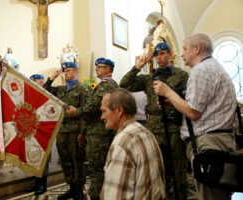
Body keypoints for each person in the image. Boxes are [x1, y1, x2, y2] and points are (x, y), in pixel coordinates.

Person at [153, 33, 237, 200]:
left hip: (208, 144)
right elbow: (202, 106)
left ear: (197, 48)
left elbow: (193, 112)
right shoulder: (212, 67)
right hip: (218, 141)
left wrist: (167, 92)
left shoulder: (201, 70)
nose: (182, 54)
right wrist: (173, 102)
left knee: (211, 196)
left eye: (184, 49)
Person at [120, 42, 189, 200]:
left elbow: (188, 97)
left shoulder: (181, 75)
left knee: (178, 170)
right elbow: (124, 85)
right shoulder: (148, 78)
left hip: (174, 128)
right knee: (158, 170)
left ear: (170, 55)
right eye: (157, 54)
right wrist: (138, 67)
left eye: (163, 53)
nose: (159, 57)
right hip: (154, 130)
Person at [66, 58, 118, 200]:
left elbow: (94, 105)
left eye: (100, 67)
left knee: (96, 169)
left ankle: (96, 196)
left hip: (99, 132)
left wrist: (76, 112)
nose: (96, 69)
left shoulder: (106, 85)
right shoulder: (105, 84)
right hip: (98, 131)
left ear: (108, 69)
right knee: (97, 168)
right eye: (96, 67)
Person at [99, 88, 165, 200]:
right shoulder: (145, 132)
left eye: (104, 111)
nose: (102, 117)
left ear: (119, 110)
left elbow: (116, 195)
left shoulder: (122, 143)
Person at [44, 62, 87, 200]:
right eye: (64, 71)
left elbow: (85, 112)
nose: (66, 73)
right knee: (65, 161)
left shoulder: (82, 88)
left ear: (75, 71)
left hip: (75, 131)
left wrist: (83, 133)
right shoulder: (61, 89)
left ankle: (79, 189)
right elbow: (45, 90)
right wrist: (52, 78)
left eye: (68, 70)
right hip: (62, 131)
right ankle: (71, 188)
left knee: (77, 161)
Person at [24, 73, 48, 196]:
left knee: (43, 157)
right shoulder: (30, 94)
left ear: (42, 82)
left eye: (36, 81)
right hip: (32, 129)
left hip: (44, 130)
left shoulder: (47, 93)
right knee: (33, 156)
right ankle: (35, 181)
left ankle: (43, 183)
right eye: (32, 81)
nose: (33, 83)